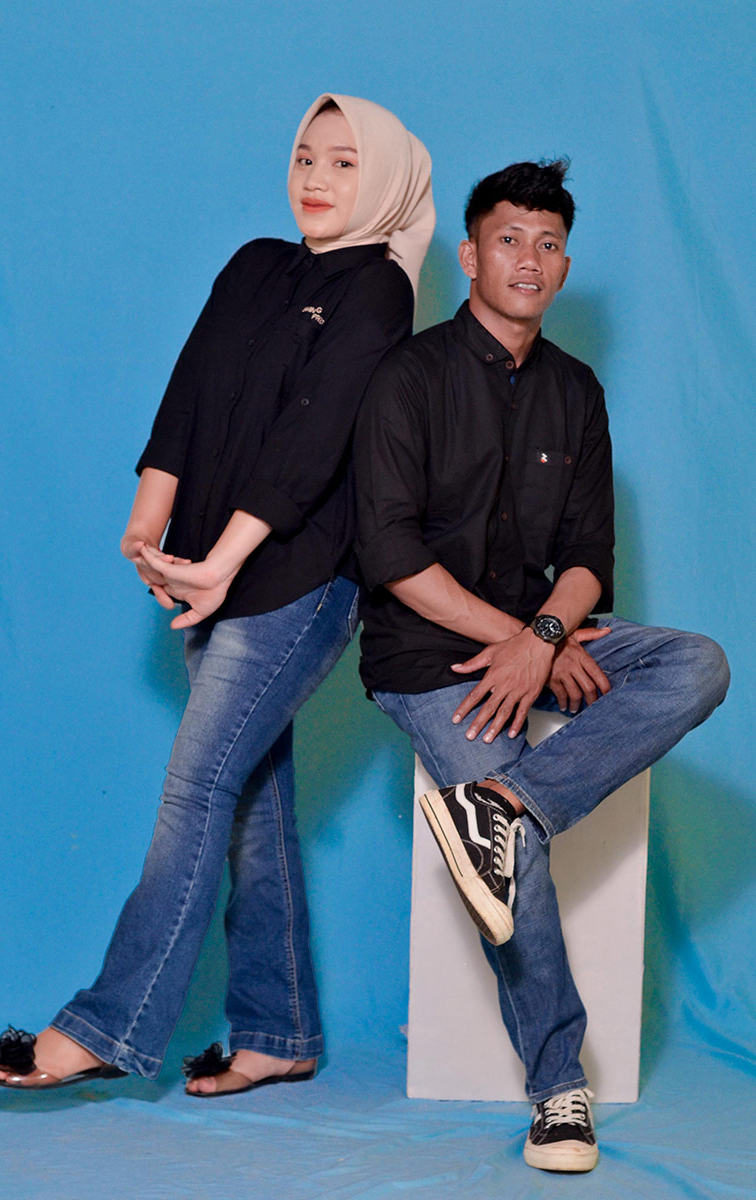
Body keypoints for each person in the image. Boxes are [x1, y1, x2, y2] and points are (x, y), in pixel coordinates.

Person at [0, 93, 434, 1095]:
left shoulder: (377, 290)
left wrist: (223, 561)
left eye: (345, 163)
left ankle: (109, 1023)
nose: (316, 178)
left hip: (298, 579)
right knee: (249, 804)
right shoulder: (253, 264)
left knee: (196, 790)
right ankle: (280, 1030)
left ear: (387, 180)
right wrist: (149, 527)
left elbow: (312, 440)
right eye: (305, 156)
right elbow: (188, 397)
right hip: (207, 574)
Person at [353, 160, 729, 1172]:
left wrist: (547, 636)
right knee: (513, 867)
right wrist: (518, 642)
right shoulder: (408, 377)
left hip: (547, 636)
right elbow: (389, 554)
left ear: (564, 267)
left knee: (696, 664)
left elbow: (587, 556)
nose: (529, 258)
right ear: (470, 256)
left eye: (549, 244)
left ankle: (505, 805)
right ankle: (559, 1088)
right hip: (427, 660)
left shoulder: (575, 390)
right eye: (509, 239)